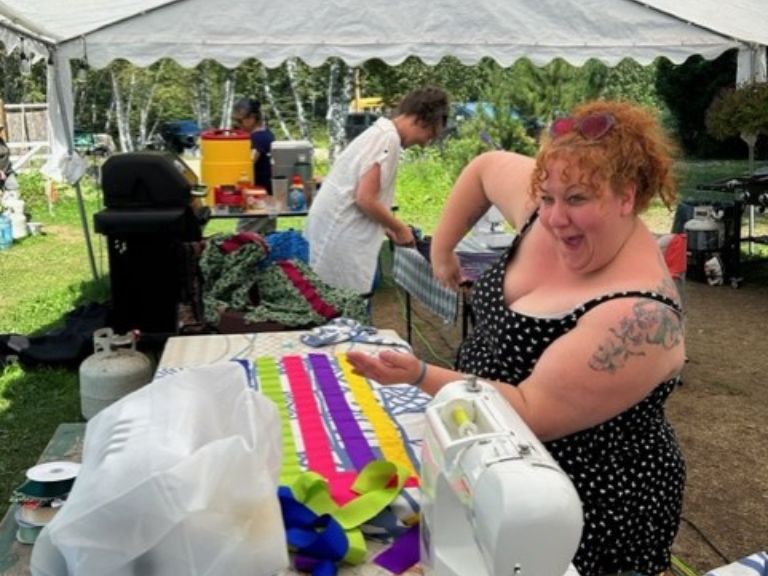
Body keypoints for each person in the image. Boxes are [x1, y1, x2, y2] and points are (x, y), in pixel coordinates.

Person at [347, 100, 686, 576]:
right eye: (546, 198)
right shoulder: (553, 213)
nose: (554, 218)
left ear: (627, 197)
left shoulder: (640, 318)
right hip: (493, 465)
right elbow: (485, 169)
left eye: (577, 200)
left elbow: (528, 411)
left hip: (581, 503)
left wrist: (422, 374)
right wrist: (442, 248)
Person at [305, 86, 450, 295]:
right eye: (430, 134)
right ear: (422, 119)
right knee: (346, 308)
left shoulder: (379, 134)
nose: (425, 144)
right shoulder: (387, 139)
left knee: (337, 304)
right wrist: (399, 228)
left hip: (335, 230)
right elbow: (365, 198)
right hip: (341, 236)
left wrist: (387, 225)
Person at [231, 97, 275, 233]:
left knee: (245, 237)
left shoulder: (258, 138)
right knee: (265, 237)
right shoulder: (267, 134)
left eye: (240, 121)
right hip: (265, 197)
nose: (237, 125)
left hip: (258, 199)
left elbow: (248, 163)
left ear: (252, 118)